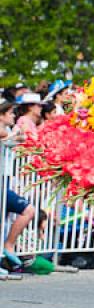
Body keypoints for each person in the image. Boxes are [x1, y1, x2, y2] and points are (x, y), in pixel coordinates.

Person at [0, 97, 36, 270]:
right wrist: (19, 133)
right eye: (10, 113)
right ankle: (7, 246)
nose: (14, 116)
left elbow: (20, 139)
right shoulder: (2, 130)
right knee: (27, 209)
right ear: (1, 115)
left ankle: (7, 246)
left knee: (25, 211)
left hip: (4, 181)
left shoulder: (7, 130)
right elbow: (15, 137)